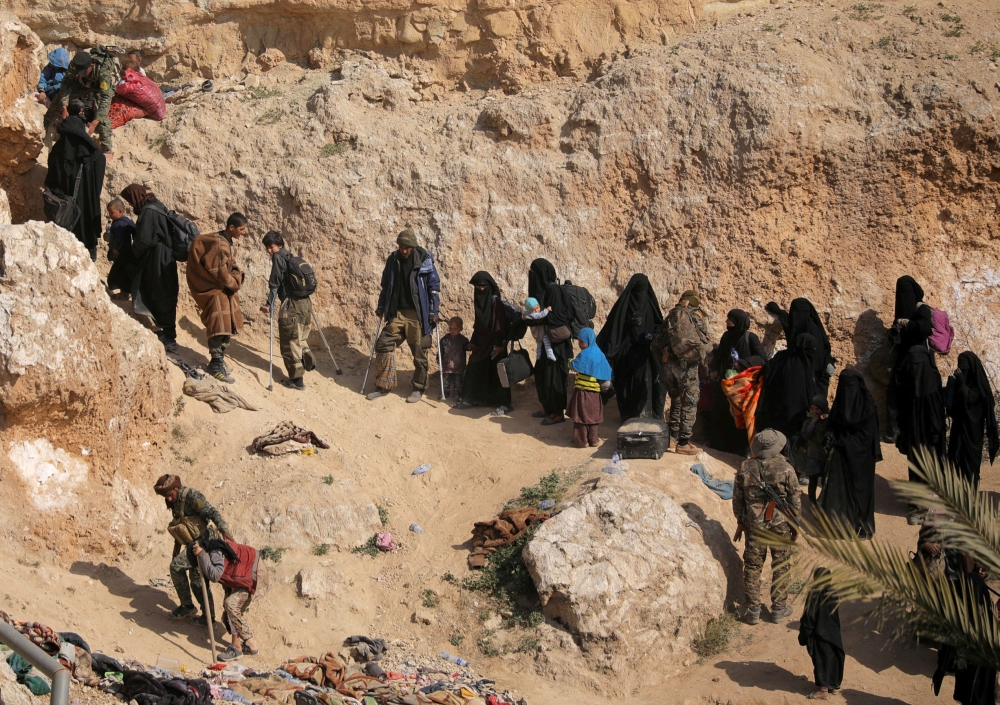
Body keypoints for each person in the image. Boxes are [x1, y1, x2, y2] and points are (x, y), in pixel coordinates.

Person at [732, 429, 801, 625]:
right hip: (780, 525)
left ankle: (753, 609)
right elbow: (795, 500)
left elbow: (738, 500)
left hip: (755, 525)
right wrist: (795, 525)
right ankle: (779, 608)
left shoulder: (745, 467)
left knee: (753, 566)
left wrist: (741, 521)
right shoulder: (786, 468)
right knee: (781, 565)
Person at [369, 230, 441, 404]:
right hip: (397, 312)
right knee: (384, 344)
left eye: (407, 247)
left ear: (413, 246)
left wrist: (433, 312)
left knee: (419, 351)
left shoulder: (424, 260)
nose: (404, 250)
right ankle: (384, 385)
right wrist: (381, 305)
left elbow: (434, 287)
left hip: (418, 314)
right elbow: (385, 285)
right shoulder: (393, 260)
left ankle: (418, 387)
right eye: (401, 247)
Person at [153, 474, 233, 625]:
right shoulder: (174, 500)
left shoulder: (192, 497)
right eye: (166, 497)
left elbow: (213, 512)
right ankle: (190, 607)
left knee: (195, 579)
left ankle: (206, 617)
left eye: (170, 495)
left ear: (176, 488)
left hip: (205, 542)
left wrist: (224, 531)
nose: (169, 499)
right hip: (191, 544)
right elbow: (180, 524)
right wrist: (176, 547)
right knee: (188, 574)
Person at [818, 370, 881, 539]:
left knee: (860, 491)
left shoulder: (867, 406)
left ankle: (861, 528)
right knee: (837, 490)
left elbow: (866, 436)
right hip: (842, 454)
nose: (846, 390)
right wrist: (830, 435)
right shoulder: (841, 402)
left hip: (861, 457)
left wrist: (844, 442)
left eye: (849, 386)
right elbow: (833, 422)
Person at [596, 273, 666, 423]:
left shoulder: (651, 308)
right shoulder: (623, 308)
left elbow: (659, 327)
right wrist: (628, 325)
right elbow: (612, 331)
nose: (639, 296)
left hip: (645, 356)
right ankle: (627, 416)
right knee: (625, 386)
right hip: (625, 354)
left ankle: (643, 416)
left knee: (644, 384)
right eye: (637, 291)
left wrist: (650, 337)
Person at [187, 214, 247, 382]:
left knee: (226, 326)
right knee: (218, 327)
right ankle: (215, 364)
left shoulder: (224, 241)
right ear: (231, 227)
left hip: (222, 291)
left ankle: (219, 361)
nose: (242, 233)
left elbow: (228, 265)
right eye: (241, 229)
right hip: (216, 292)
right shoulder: (220, 244)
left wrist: (234, 273)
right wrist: (234, 282)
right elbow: (219, 271)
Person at [44, 99, 106, 261]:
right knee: (87, 242)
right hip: (87, 208)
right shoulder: (93, 154)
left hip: (65, 211)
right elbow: (98, 178)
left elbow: (51, 181)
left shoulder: (58, 150)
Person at [121, 184, 179, 353]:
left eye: (130, 201)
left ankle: (169, 338)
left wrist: (133, 251)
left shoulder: (148, 211)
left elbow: (145, 240)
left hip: (158, 258)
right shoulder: (156, 205)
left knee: (161, 293)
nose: (131, 205)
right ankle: (166, 332)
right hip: (163, 256)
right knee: (162, 292)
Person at [653, 289, 711, 455]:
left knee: (675, 399)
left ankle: (672, 437)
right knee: (690, 401)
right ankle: (684, 442)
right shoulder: (694, 316)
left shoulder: (671, 315)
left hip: (668, 365)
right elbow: (704, 342)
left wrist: (664, 360)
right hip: (687, 366)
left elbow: (656, 343)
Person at [895, 343, 946, 523]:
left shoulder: (927, 379)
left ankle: (928, 508)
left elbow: (937, 411)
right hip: (917, 435)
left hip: (928, 437)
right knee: (918, 469)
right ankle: (917, 507)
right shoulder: (909, 380)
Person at [260, 231, 314, 390]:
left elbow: (275, 283)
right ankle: (307, 362)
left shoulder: (278, 258)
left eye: (271, 247)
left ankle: (297, 381)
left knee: (289, 341)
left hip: (291, 304)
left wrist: (269, 304)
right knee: (301, 337)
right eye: (267, 248)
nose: (269, 251)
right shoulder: (291, 256)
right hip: (305, 302)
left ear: (278, 245)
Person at [191, 537, 260, 661]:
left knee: (231, 605)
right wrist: (227, 593)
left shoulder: (216, 551)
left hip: (254, 576)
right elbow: (229, 573)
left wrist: (201, 555)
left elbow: (215, 575)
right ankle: (243, 646)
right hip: (247, 576)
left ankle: (244, 646)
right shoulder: (219, 549)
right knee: (229, 610)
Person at [709, 309, 766, 455]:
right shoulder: (726, 337)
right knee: (721, 412)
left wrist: (742, 363)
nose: (727, 322)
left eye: (730, 320)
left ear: (738, 322)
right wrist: (714, 369)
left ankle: (738, 449)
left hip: (742, 385)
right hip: (726, 382)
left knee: (738, 414)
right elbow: (720, 356)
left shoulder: (750, 338)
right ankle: (719, 446)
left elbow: (761, 358)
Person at [525, 259, 574, 424]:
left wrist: (537, 318)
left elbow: (559, 317)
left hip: (557, 344)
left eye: (534, 272)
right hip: (546, 344)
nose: (531, 275)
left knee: (555, 379)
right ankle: (547, 408)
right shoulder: (544, 290)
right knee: (542, 375)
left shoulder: (553, 290)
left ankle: (558, 414)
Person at [455, 272, 512, 413]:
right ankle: (472, 399)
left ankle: (505, 404)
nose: (480, 290)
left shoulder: (495, 302)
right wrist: (473, 341)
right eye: (477, 287)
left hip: (494, 344)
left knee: (498, 373)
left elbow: (499, 325)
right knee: (475, 368)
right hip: (482, 343)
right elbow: (479, 324)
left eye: (483, 287)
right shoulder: (480, 302)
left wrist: (499, 345)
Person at [886, 275, 934, 437]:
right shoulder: (900, 311)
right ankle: (895, 431)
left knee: (919, 392)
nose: (902, 296)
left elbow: (926, 328)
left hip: (920, 358)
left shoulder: (921, 308)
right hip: (902, 358)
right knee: (895, 392)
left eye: (905, 292)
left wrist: (909, 324)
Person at [49, 49, 119, 155]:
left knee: (102, 116)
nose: (81, 74)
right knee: (59, 98)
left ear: (91, 66)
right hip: (86, 83)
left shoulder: (104, 72)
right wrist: (64, 106)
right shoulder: (75, 65)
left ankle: (107, 150)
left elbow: (105, 101)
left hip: (102, 87)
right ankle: (47, 124)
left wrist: (93, 125)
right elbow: (66, 84)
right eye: (79, 72)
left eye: (83, 72)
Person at [947, 352, 999, 489]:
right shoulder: (963, 381)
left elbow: (969, 399)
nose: (963, 372)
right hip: (959, 430)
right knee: (955, 460)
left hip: (973, 433)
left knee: (970, 464)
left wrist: (961, 382)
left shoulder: (979, 386)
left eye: (965, 369)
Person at [766, 298, 836, 397]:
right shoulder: (802, 325)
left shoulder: (811, 329)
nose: (795, 315)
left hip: (815, 377)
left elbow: (817, 357)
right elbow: (792, 325)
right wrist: (780, 312)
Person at [756, 333, 818, 443]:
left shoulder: (781, 356)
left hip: (773, 408)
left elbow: (765, 371)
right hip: (794, 418)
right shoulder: (805, 365)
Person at [798, 567, 844, 700]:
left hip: (819, 634)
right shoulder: (833, 593)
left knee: (821, 661)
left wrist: (804, 635)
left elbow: (809, 617)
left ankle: (824, 690)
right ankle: (833, 686)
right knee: (834, 658)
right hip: (834, 634)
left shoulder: (815, 594)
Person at [568, 328, 612, 448]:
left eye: (581, 342)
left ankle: (581, 441)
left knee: (580, 417)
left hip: (582, 393)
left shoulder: (585, 354)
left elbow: (575, 366)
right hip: (595, 394)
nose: (579, 344)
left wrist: (569, 362)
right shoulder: (600, 354)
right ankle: (594, 440)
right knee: (593, 418)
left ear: (588, 340)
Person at [794, 395, 830, 500]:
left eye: (817, 409)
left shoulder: (827, 423)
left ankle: (822, 502)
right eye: (812, 408)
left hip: (824, 456)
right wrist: (813, 423)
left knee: (825, 480)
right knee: (813, 481)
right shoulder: (807, 422)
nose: (814, 411)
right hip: (813, 456)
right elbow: (805, 436)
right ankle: (812, 503)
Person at [104, 198, 140, 295]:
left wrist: (115, 249)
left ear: (120, 211)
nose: (110, 215)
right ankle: (125, 292)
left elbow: (119, 239)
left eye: (112, 213)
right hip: (128, 252)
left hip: (121, 252)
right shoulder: (127, 221)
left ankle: (125, 293)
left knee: (121, 273)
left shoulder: (120, 224)